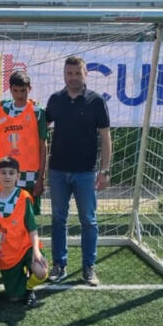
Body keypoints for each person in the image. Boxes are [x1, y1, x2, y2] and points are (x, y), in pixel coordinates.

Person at [45, 56, 112, 286]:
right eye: (69, 73)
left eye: (77, 73)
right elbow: (41, 129)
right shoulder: (55, 100)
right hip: (57, 171)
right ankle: (59, 265)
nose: (73, 77)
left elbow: (105, 137)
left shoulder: (96, 101)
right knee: (58, 219)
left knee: (89, 220)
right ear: (64, 74)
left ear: (85, 73)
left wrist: (105, 170)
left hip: (86, 172)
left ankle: (89, 267)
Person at [0, 157, 48, 308]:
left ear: (18, 176)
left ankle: (29, 287)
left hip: (25, 247)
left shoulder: (23, 197)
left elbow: (32, 229)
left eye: (11, 173)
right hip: (6, 252)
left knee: (41, 271)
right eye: (3, 172)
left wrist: (36, 251)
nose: (7, 176)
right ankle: (20, 284)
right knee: (13, 297)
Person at [0, 71, 47, 214]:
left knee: (28, 216)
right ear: (10, 89)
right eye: (15, 90)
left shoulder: (37, 111)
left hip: (30, 175)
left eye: (23, 90)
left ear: (30, 89)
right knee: (6, 214)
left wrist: (41, 178)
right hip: (6, 173)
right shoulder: (1, 108)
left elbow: (43, 145)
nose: (19, 95)